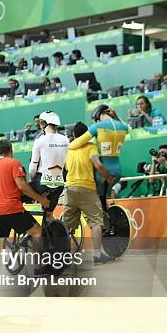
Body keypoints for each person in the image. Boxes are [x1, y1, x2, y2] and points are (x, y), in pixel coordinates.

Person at [0, 139, 50, 278]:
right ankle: (38, 268)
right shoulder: (14, 163)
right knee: (37, 232)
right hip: (13, 209)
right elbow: (22, 186)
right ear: (11, 150)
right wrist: (41, 199)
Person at [64, 122, 116, 264]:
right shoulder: (91, 147)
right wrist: (109, 178)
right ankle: (98, 255)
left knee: (66, 226)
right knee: (96, 222)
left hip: (70, 189)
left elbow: (67, 169)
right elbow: (98, 165)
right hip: (87, 189)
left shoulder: (69, 149)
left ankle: (62, 256)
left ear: (74, 135)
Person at [69, 104, 129, 210]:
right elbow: (127, 128)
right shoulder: (122, 127)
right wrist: (116, 116)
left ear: (98, 115)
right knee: (104, 201)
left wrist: (65, 146)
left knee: (97, 204)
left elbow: (77, 143)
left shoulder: (97, 127)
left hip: (102, 172)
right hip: (117, 171)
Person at [28, 111, 69, 220]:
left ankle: (29, 226)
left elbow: (33, 167)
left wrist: (32, 180)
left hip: (41, 183)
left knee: (21, 194)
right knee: (49, 214)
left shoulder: (39, 141)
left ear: (43, 124)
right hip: (59, 183)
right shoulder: (66, 139)